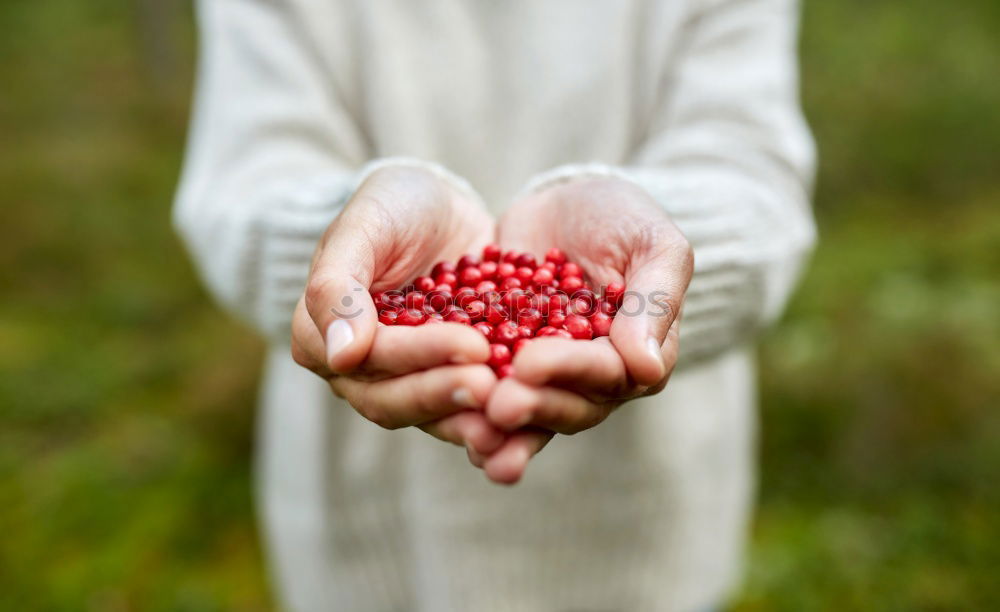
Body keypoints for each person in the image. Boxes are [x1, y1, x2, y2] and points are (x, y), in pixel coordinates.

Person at [174, 0, 815, 609]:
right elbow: (242, 183)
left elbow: (755, 185)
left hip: (643, 547)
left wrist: (659, 259)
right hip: (369, 548)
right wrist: (338, 249)